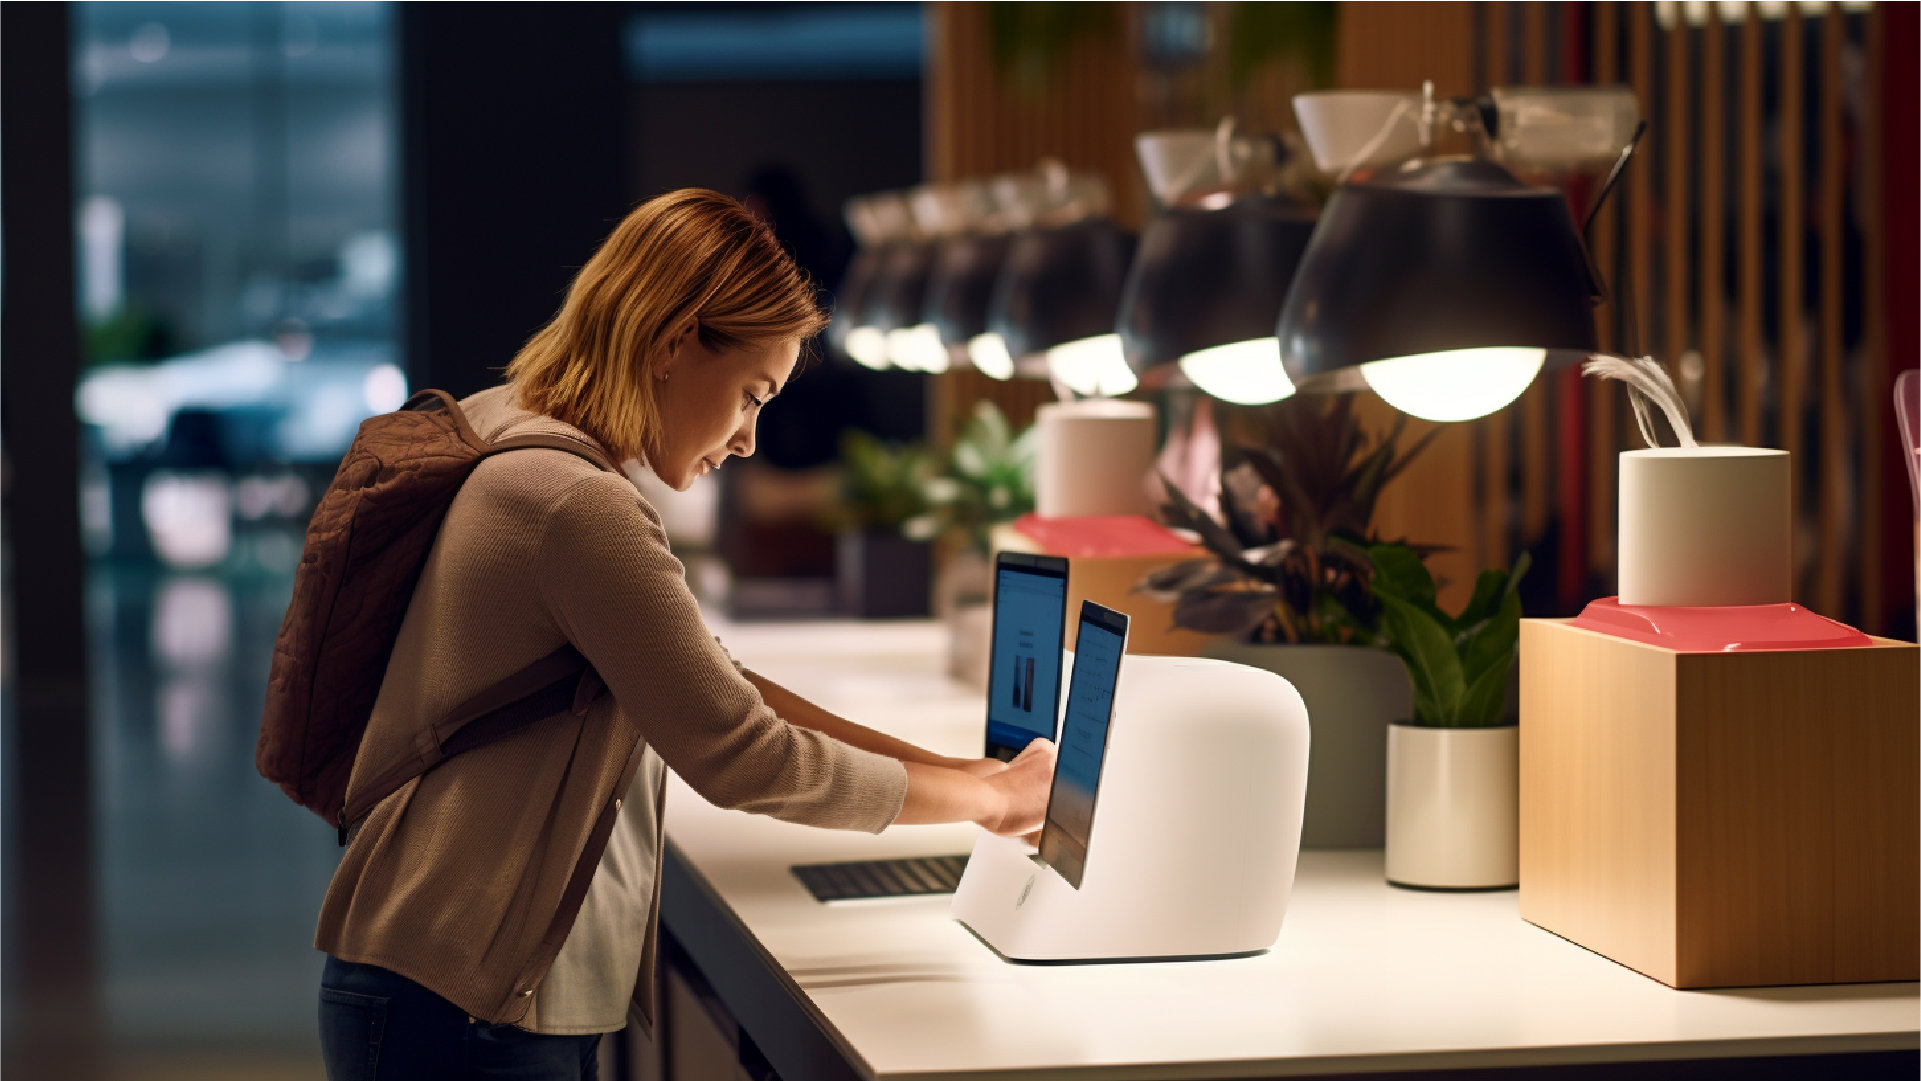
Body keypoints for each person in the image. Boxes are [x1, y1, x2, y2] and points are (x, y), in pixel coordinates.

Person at [313, 188, 1056, 1081]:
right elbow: (743, 754)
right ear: (675, 341)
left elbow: (710, 682)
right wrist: (987, 807)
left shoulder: (518, 430)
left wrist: (961, 776)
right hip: (464, 1007)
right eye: (751, 394)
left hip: (442, 983)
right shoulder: (576, 504)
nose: (747, 438)